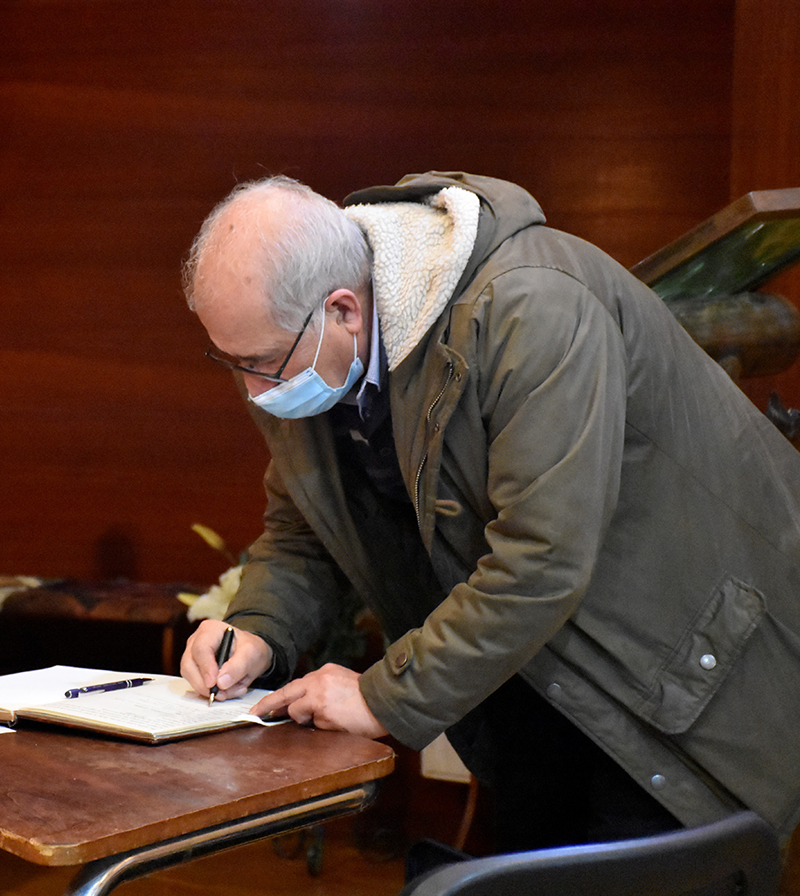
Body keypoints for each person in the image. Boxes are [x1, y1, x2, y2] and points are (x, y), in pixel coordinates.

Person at [178, 171, 800, 853]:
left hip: (677, 673)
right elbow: (306, 530)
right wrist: (257, 631)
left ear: (345, 310)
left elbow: (541, 558)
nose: (254, 390)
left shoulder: (532, 308)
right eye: (231, 361)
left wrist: (383, 698)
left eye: (263, 362)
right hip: (534, 682)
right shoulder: (312, 350)